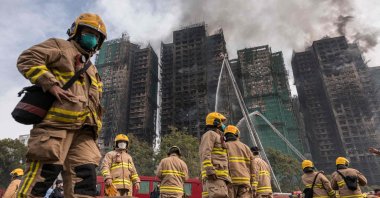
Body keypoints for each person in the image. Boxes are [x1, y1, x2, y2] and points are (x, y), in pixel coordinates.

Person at [16, 13, 106, 198]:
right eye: (89, 32)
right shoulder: (61, 46)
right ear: (76, 31)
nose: (93, 38)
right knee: (41, 180)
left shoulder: (92, 69)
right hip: (56, 127)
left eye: (97, 36)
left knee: (86, 182)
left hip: (85, 133)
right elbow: (27, 58)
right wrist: (51, 84)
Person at [199, 112, 231, 198]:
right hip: (215, 175)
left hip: (220, 176)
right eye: (221, 122)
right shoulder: (210, 134)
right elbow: (205, 153)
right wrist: (209, 170)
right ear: (216, 122)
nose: (223, 125)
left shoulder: (218, 136)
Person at [224, 125, 254, 198]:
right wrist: (252, 181)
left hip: (231, 181)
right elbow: (253, 166)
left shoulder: (224, 146)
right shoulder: (245, 147)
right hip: (245, 181)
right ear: (237, 135)